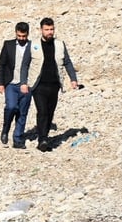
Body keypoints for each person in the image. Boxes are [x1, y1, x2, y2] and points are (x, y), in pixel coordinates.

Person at [20, 18, 79, 152]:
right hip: (38, 84)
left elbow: (67, 62)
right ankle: (42, 139)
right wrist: (24, 82)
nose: (49, 32)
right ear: (41, 30)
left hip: (54, 84)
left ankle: (45, 135)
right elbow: (25, 64)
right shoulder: (33, 45)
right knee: (42, 111)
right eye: (46, 29)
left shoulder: (60, 44)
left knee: (50, 111)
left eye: (51, 29)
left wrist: (73, 79)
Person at [0, 22, 32, 148]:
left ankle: (17, 139)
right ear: (16, 33)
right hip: (11, 83)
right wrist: (0, 83)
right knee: (11, 107)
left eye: (24, 36)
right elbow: (2, 65)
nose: (21, 39)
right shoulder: (8, 45)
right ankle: (5, 128)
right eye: (19, 36)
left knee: (22, 112)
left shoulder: (33, 46)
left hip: (27, 84)